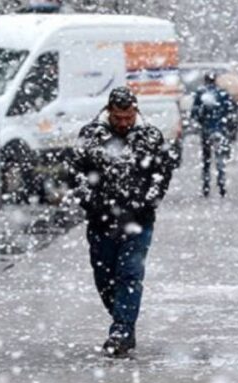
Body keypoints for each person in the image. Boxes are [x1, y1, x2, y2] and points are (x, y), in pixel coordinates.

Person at [70, 87, 177, 357]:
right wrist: (91, 202)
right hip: (101, 220)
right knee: (104, 277)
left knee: (129, 273)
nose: (123, 123)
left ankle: (121, 330)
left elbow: (161, 175)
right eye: (117, 117)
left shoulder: (151, 136)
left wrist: (145, 203)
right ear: (109, 112)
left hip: (137, 221)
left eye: (127, 117)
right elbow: (76, 173)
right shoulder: (91, 135)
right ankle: (123, 319)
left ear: (135, 111)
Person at [191, 72, 236, 197]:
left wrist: (201, 121)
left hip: (206, 130)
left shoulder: (201, 94)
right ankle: (221, 184)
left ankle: (206, 185)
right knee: (220, 158)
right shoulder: (223, 94)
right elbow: (231, 111)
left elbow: (195, 113)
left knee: (206, 160)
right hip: (221, 130)